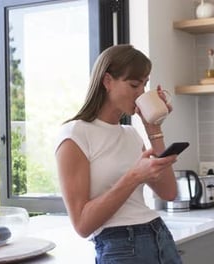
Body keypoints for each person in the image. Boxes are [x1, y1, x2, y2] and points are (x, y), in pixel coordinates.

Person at [55, 44, 183, 264]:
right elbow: (82, 225)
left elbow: (169, 192)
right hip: (122, 246)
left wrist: (154, 127)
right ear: (107, 81)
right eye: (134, 84)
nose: (141, 92)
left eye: (144, 84)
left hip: (160, 236)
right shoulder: (75, 134)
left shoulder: (131, 134)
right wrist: (134, 177)